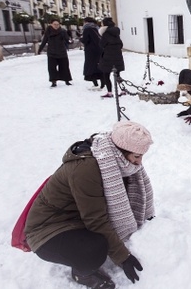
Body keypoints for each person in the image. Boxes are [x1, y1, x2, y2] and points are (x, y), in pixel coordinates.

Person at [24, 121, 155, 289]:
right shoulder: (86, 169)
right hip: (48, 230)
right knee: (94, 250)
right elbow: (96, 220)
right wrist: (123, 256)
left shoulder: (109, 157)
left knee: (101, 238)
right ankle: (82, 274)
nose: (139, 163)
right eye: (136, 157)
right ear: (120, 151)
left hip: (77, 217)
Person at [38, 17, 73, 87]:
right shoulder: (48, 31)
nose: (56, 26)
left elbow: (67, 40)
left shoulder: (63, 31)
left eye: (57, 24)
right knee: (52, 68)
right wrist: (40, 49)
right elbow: (44, 41)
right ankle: (53, 81)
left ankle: (67, 80)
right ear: (51, 24)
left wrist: (70, 41)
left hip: (62, 52)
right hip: (51, 52)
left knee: (64, 67)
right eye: (54, 24)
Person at [98, 17, 125, 98]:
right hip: (117, 56)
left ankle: (109, 92)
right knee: (117, 75)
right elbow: (121, 44)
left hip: (108, 57)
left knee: (106, 75)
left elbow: (101, 45)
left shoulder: (105, 34)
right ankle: (123, 90)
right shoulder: (116, 33)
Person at [80, 17, 104, 89]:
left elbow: (85, 40)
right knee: (99, 65)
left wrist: (80, 38)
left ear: (86, 22)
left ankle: (95, 82)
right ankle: (103, 82)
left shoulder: (87, 29)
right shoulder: (97, 28)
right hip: (99, 49)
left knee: (91, 67)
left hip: (90, 51)